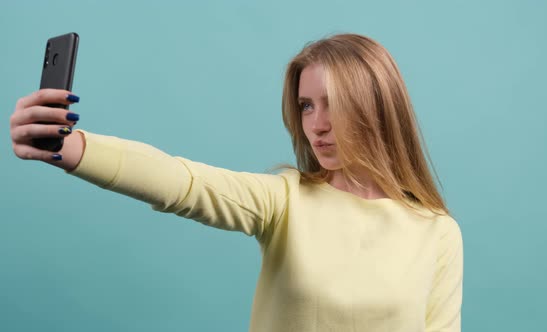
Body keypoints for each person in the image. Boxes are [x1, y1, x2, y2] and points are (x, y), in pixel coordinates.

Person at [10, 33, 463, 331]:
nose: (318, 125)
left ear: (377, 107)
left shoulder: (436, 231)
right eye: (306, 106)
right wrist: (68, 148)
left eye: (333, 104)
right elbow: (183, 183)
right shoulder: (287, 200)